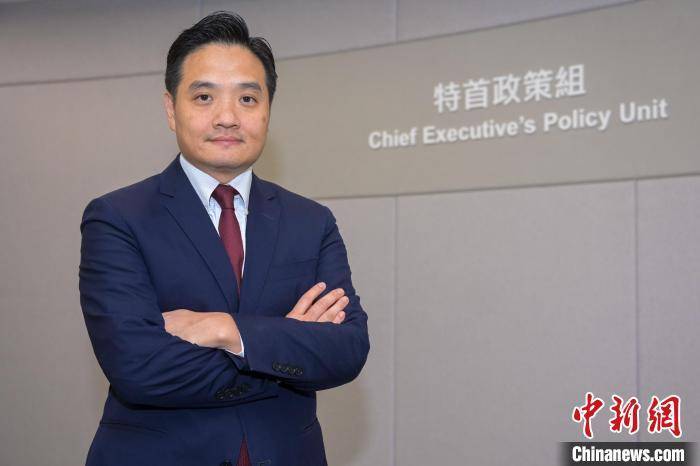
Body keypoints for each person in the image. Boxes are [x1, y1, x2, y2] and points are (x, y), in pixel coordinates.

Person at [79, 11, 369, 466]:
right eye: (204, 97)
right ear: (171, 109)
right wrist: (283, 345)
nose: (228, 117)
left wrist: (225, 330)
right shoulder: (118, 217)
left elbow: (346, 350)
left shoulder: (311, 221)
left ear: (269, 109)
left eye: (248, 98)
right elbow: (139, 368)